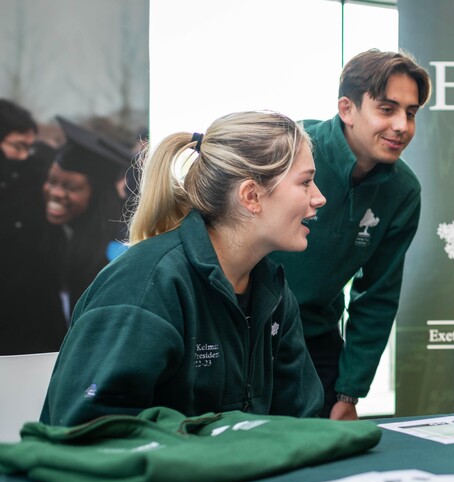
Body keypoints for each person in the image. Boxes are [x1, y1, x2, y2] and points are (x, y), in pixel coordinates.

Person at [42, 110, 327, 426]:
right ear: (251, 196)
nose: (319, 198)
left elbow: (302, 421)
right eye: (306, 182)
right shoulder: (145, 286)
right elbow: (85, 429)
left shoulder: (273, 293)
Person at [271, 49, 431, 420]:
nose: (401, 126)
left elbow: (377, 295)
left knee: (330, 445)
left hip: (316, 337)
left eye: (410, 113)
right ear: (347, 109)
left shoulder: (403, 191)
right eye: (387, 109)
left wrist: (350, 391)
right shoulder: (287, 148)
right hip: (242, 331)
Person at [43, 117, 131, 322]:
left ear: (96, 195)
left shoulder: (117, 250)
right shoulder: (51, 232)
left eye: (70, 187)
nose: (55, 193)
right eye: (51, 181)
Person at [0, 100, 66, 354]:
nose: (24, 156)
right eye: (17, 146)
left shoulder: (37, 176)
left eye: (29, 147)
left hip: (36, 314)